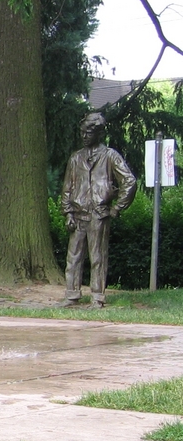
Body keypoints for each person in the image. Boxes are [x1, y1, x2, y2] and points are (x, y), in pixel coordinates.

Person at [60, 112, 137, 308]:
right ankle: (71, 295)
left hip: (99, 214)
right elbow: (67, 188)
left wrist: (117, 207)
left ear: (99, 133)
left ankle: (97, 297)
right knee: (73, 257)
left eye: (88, 132)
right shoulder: (75, 158)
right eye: (82, 132)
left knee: (97, 258)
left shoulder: (110, 156)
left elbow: (129, 181)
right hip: (78, 214)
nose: (84, 136)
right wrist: (68, 213)